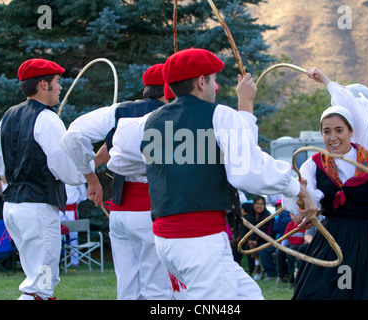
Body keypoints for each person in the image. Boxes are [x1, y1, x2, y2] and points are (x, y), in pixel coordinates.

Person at [106, 47, 319, 299]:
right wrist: (296, 188)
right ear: (201, 81)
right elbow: (246, 171)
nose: (215, 86)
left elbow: (117, 160)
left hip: (166, 241)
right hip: (200, 240)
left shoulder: (150, 121)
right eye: (214, 79)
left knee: (248, 296)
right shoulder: (219, 115)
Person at [283, 105, 368, 300]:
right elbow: (299, 202)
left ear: (350, 132)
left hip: (363, 238)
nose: (333, 138)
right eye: (327, 131)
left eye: (339, 130)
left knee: (358, 291)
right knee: (315, 291)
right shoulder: (314, 164)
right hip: (330, 236)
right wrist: (301, 193)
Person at [60, 64, 174, 300]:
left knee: (128, 289)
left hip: (121, 213)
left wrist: (90, 177)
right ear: (168, 88)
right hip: (151, 209)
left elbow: (73, 136)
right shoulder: (172, 115)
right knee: (158, 290)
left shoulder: (121, 111)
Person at [0, 58, 87, 300]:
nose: (60, 87)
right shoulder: (48, 119)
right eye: (57, 81)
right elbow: (66, 168)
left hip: (13, 208)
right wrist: (85, 170)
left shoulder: (9, 115)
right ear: (44, 84)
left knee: (42, 279)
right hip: (37, 208)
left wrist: (14, 177)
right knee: (39, 286)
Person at [244, 195, 276, 280]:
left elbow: (269, 233)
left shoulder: (267, 216)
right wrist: (250, 240)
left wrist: (256, 241)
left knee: (260, 249)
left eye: (262, 204)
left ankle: (267, 272)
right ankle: (252, 271)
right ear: (253, 204)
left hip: (266, 240)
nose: (259, 206)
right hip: (252, 241)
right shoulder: (250, 217)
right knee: (248, 247)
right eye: (257, 204)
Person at [60, 184, 87, 266]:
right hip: (59, 210)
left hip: (71, 209)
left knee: (74, 236)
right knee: (57, 235)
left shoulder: (77, 174)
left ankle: (75, 261)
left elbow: (83, 193)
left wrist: (76, 201)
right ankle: (57, 260)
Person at [275, 211, 305, 284]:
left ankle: (292, 277)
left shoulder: (305, 224)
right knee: (279, 252)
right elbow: (286, 238)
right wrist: (281, 247)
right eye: (292, 214)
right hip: (291, 245)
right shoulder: (290, 224)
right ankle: (282, 275)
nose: (294, 216)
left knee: (290, 252)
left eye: (297, 214)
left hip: (301, 246)